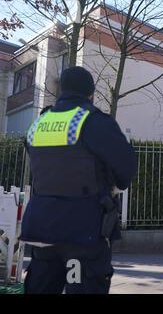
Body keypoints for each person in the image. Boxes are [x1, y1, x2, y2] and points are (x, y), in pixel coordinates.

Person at [21, 66, 137, 294]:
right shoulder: (93, 121)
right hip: (83, 231)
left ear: (61, 90)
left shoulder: (38, 123)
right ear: (91, 93)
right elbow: (126, 166)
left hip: (41, 230)